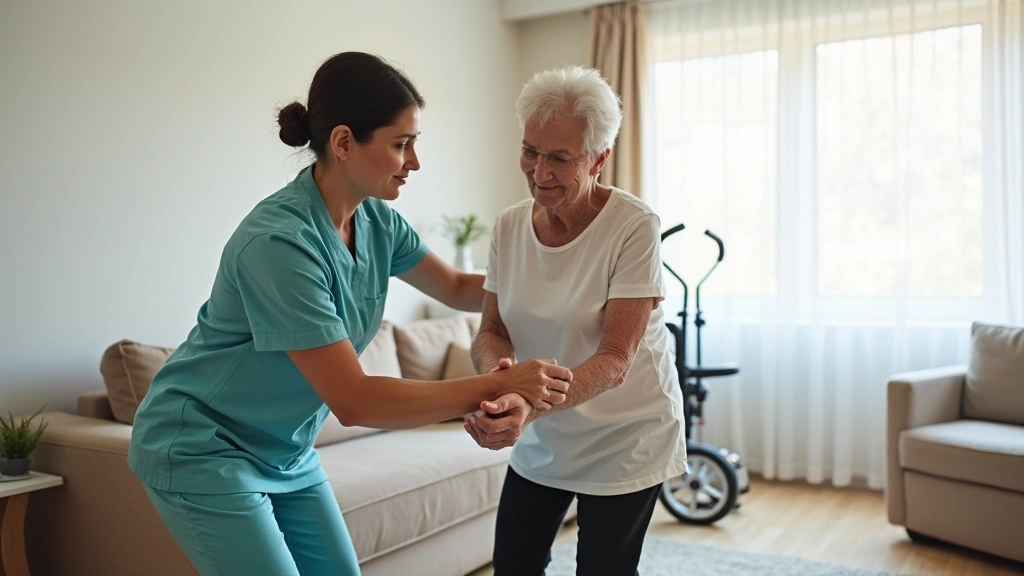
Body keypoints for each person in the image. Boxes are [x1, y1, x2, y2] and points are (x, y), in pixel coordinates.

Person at [126, 51, 572, 576]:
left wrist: (568, 276)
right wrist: (498, 383)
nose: (414, 162)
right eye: (401, 144)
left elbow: (455, 286)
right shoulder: (280, 243)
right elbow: (354, 399)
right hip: (203, 448)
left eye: (415, 144)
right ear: (343, 143)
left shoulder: (378, 221)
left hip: (285, 450)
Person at [464, 66, 688, 576]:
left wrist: (524, 402)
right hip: (542, 432)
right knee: (515, 567)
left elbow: (614, 360)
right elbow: (492, 330)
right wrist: (498, 386)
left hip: (625, 435)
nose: (540, 172)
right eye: (530, 151)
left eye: (560, 158)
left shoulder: (634, 226)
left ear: (599, 159)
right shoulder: (508, 225)